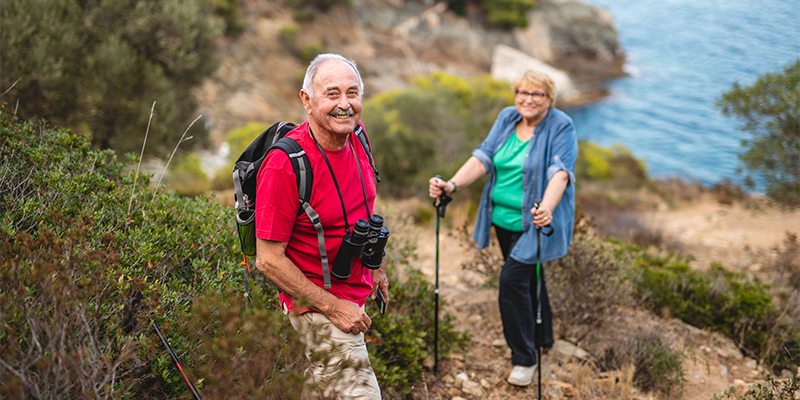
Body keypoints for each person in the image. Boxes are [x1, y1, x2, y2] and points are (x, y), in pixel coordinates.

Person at [428, 69, 577, 387]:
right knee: (528, 275)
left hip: (536, 220)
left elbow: (560, 172)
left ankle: (524, 359)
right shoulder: (508, 118)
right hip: (503, 220)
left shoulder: (560, 125)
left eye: (537, 94)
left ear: (549, 98)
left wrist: (547, 208)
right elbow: (483, 157)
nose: (528, 99)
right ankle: (544, 337)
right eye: (522, 92)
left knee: (511, 280)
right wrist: (452, 184)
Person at [255, 53, 388, 399]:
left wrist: (376, 266)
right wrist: (333, 307)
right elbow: (268, 259)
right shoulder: (285, 165)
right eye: (332, 94)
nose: (344, 104)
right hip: (317, 306)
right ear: (307, 100)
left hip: (351, 291)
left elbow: (364, 209)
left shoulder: (357, 136)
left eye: (352, 93)